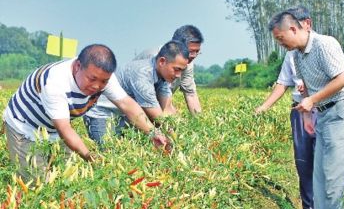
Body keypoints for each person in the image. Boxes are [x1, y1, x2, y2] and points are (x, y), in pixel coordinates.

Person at [3, 44, 168, 182]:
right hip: (24, 127)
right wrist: (91, 156)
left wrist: (152, 132)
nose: (97, 86)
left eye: (103, 81)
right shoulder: (55, 82)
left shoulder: (103, 78)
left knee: (68, 179)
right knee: (35, 182)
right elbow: (65, 129)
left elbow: (126, 104)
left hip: (53, 129)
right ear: (77, 67)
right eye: (92, 79)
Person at [269, 11, 344, 209]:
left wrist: (311, 100)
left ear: (294, 29)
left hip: (341, 108)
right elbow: (308, 88)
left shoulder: (324, 44)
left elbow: (341, 80)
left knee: (335, 170)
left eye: (281, 38)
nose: (280, 44)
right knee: (319, 171)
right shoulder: (297, 56)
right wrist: (310, 110)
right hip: (322, 111)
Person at [256, 6, 316, 209]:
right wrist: (263, 108)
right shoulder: (291, 56)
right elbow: (282, 84)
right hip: (300, 111)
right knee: (304, 161)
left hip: (321, 109)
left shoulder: (322, 47)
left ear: (303, 25)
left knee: (324, 161)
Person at [84, 40, 189, 144]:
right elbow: (156, 115)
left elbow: (166, 108)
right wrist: (176, 141)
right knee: (106, 153)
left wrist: (179, 130)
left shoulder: (164, 76)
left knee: (125, 149)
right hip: (101, 113)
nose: (179, 75)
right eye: (177, 69)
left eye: (181, 71)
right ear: (162, 61)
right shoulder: (142, 74)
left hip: (123, 113)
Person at [135, 25, 204, 115]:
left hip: (155, 106)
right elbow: (147, 101)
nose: (194, 56)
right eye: (191, 51)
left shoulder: (187, 63)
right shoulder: (154, 58)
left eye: (197, 52)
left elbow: (190, 94)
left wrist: (200, 123)